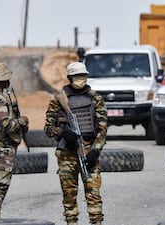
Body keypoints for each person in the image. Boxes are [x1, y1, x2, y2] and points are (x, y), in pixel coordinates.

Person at [44, 62, 107, 225]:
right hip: (67, 153)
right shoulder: (58, 99)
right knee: (69, 195)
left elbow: (102, 129)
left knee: (93, 194)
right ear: (70, 78)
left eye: (82, 76)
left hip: (88, 151)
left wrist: (95, 151)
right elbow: (48, 127)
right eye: (77, 76)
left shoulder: (95, 98)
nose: (80, 79)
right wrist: (63, 132)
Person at [0, 62, 29, 218]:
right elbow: (5, 125)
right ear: (3, 80)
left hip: (1, 147)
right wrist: (21, 122)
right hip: (2, 148)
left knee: (1, 185)